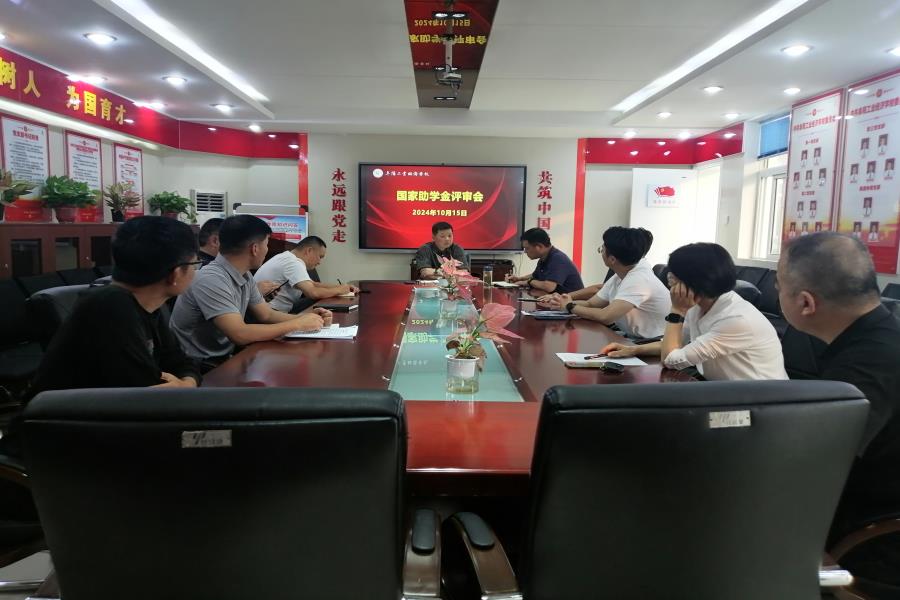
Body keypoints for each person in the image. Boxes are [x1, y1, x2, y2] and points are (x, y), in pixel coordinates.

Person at [777, 232, 900, 587]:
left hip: (874, 540)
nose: (776, 293)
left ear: (805, 303)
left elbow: (811, 461)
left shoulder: (868, 366)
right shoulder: (876, 338)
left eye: (779, 287)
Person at [601, 243, 787, 381]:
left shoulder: (736, 319)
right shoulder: (699, 305)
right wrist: (634, 350)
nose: (669, 280)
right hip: (723, 389)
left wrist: (677, 310)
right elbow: (677, 344)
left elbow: (670, 360)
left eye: (673, 275)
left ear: (694, 281)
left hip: (760, 402)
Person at [170, 215, 332, 370]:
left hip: (226, 357)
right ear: (255, 248)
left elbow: (266, 315)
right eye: (266, 244)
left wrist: (308, 318)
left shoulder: (245, 275)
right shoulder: (211, 279)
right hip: (199, 366)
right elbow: (239, 333)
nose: (267, 249)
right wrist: (297, 324)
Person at [540, 227, 669, 339]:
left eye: (602, 249)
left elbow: (606, 316)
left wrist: (570, 306)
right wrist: (561, 302)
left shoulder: (639, 279)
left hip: (652, 344)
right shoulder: (621, 274)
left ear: (612, 259)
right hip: (631, 338)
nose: (601, 252)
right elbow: (591, 304)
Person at [255, 236, 358, 313]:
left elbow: (314, 284)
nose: (319, 262)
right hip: (270, 312)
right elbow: (313, 292)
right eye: (320, 257)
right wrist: (339, 290)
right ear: (309, 251)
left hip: (275, 309)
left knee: (322, 300)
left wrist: (343, 287)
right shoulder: (293, 263)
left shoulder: (288, 257)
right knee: (320, 302)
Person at [506, 228, 584, 295]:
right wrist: (519, 279)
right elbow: (535, 275)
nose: (525, 252)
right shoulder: (544, 257)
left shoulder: (558, 259)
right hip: (556, 300)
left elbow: (549, 286)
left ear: (539, 246)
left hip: (573, 303)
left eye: (527, 248)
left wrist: (528, 282)